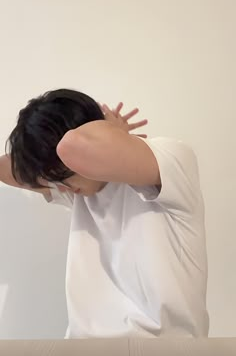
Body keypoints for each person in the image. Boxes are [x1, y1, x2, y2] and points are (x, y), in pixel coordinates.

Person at [0, 88, 209, 338]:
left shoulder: (171, 159)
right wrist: (35, 156)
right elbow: (4, 169)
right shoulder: (78, 190)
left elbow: (73, 147)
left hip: (164, 347)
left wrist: (115, 133)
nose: (65, 189)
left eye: (64, 175)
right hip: (84, 348)